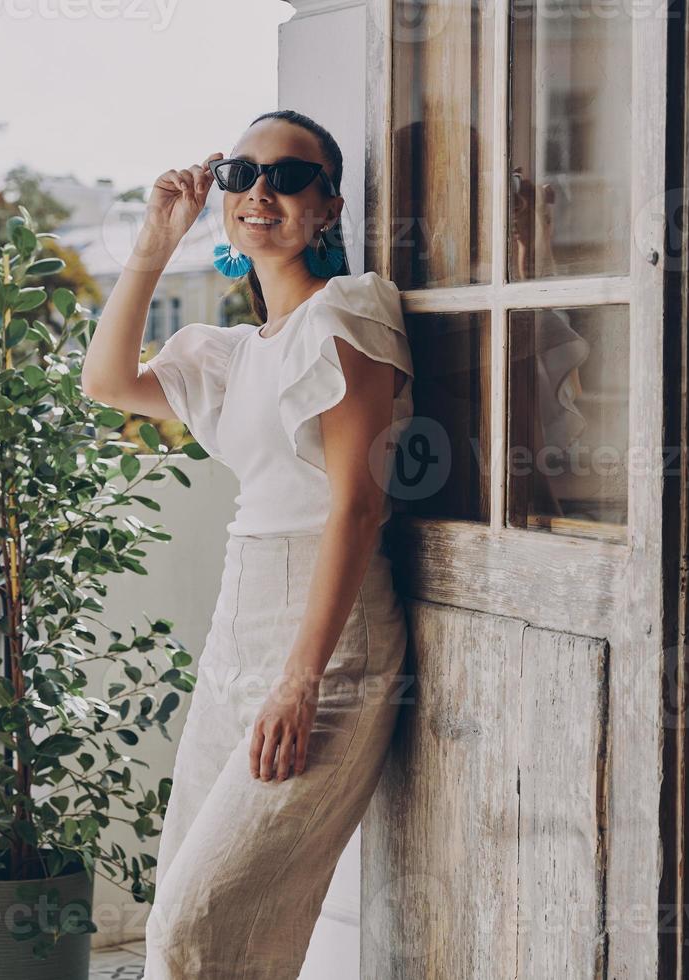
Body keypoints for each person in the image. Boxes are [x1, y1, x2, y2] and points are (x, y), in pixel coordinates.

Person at [81, 109, 414, 979]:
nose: (259, 191)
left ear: (329, 206)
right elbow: (107, 382)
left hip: (327, 642)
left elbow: (355, 510)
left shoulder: (345, 318)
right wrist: (156, 242)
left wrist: (299, 685)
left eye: (289, 176)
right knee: (179, 917)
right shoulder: (234, 354)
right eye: (241, 174)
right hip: (237, 627)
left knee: (202, 922)